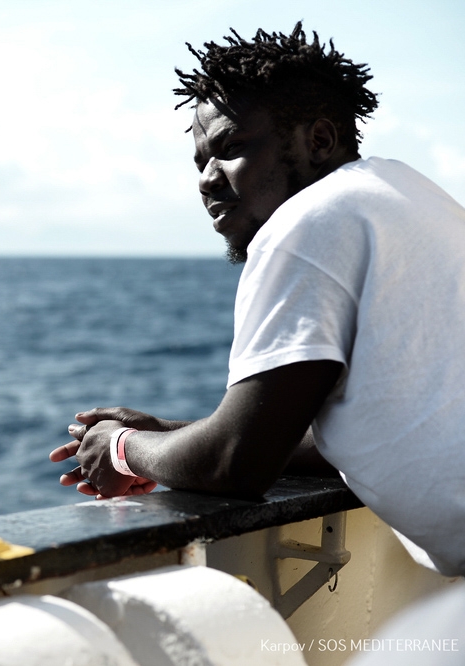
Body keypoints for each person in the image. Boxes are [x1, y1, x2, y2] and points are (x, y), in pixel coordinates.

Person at [51, 23, 465, 578]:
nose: (206, 179)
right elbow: (339, 437)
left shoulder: (308, 221)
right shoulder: (412, 200)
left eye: (230, 148)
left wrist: (121, 448)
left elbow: (237, 462)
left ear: (318, 141)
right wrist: (164, 432)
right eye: (200, 161)